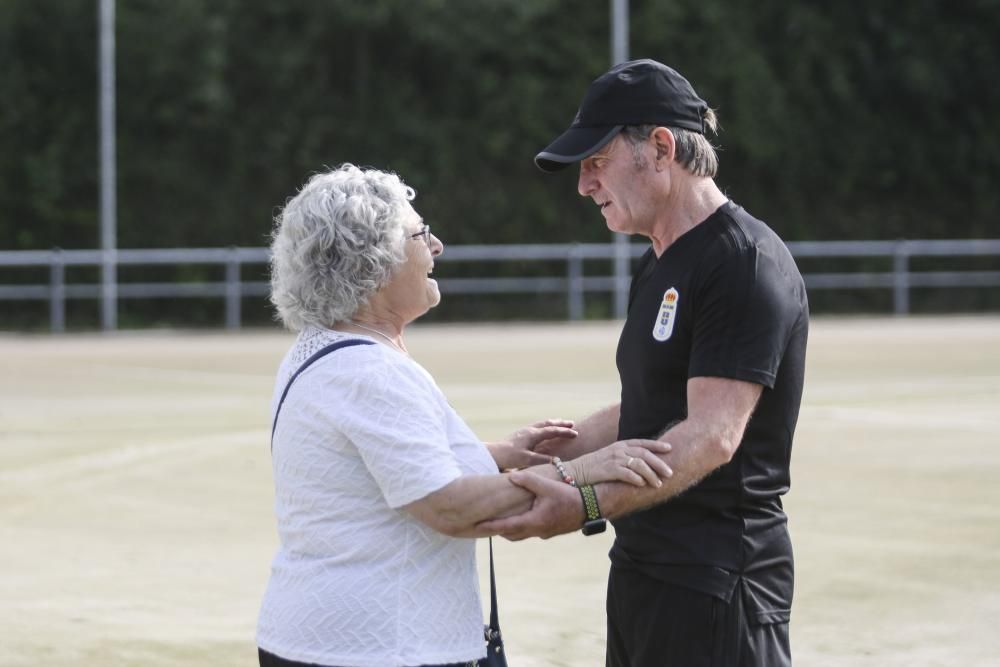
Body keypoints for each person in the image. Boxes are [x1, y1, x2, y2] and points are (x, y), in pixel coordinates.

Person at [256, 164, 673, 667]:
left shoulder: (320, 351)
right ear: (373, 260)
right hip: (377, 649)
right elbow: (448, 507)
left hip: (326, 638)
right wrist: (582, 469)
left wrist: (490, 455)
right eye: (420, 233)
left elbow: (375, 470)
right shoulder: (368, 370)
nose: (437, 247)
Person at [481, 59, 809, 666]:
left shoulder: (743, 262)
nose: (584, 185)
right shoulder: (660, 260)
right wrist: (540, 456)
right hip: (646, 572)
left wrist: (581, 498)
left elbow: (709, 436)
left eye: (596, 162)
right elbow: (649, 409)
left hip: (719, 587)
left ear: (660, 148)